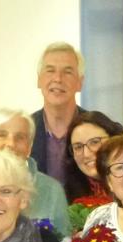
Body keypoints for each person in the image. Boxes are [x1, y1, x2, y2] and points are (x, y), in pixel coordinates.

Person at [32, 41, 86, 186]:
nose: (58, 79)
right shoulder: (24, 131)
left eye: (67, 72)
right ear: (39, 80)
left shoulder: (97, 131)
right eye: (50, 71)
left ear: (80, 83)